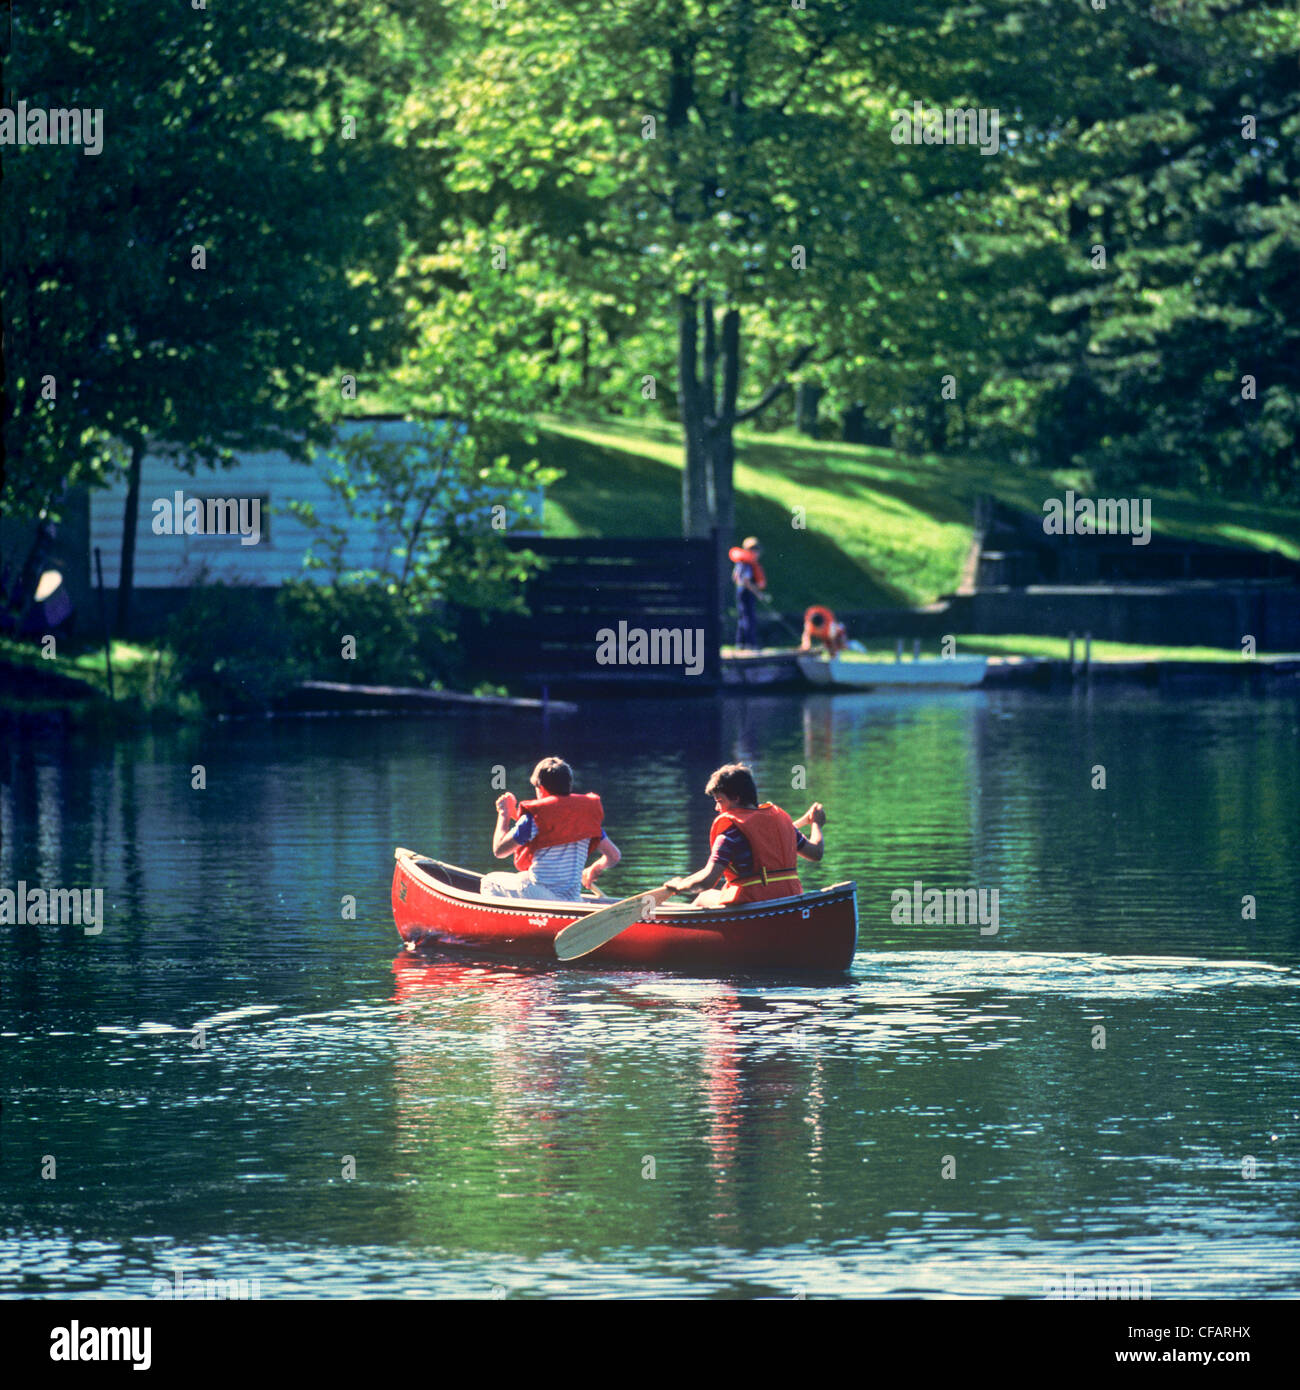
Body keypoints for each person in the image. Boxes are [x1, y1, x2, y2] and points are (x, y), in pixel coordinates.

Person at [663, 763, 825, 909]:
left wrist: (679, 886)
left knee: (704, 896)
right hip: (789, 898)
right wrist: (816, 824)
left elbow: (707, 881)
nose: (717, 808)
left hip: (751, 901)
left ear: (736, 798)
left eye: (719, 801)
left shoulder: (729, 834)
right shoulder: (781, 822)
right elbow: (816, 853)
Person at [480, 757, 620, 902]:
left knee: (489, 881)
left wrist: (504, 814)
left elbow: (499, 850)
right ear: (569, 785)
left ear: (541, 788)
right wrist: (594, 868)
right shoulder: (587, 819)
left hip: (540, 895)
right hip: (572, 899)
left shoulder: (534, 817)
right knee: (524, 877)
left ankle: (511, 923)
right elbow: (614, 856)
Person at [729, 536, 766, 651]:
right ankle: (750, 643)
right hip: (746, 592)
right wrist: (757, 593)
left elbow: (735, 577)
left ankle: (741, 643)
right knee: (749, 618)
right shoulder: (746, 563)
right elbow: (746, 581)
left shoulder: (741, 563)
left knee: (743, 616)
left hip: (740, 590)